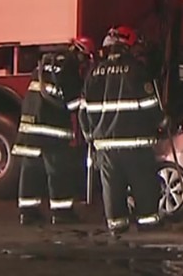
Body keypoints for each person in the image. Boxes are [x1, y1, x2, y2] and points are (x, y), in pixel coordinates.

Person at [78, 26, 163, 236]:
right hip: (136, 145)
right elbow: (150, 105)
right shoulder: (137, 70)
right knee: (144, 187)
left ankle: (117, 231)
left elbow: (83, 111)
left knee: (112, 190)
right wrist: (161, 122)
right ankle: (148, 227)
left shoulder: (93, 73)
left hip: (106, 147)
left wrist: (90, 135)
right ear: (128, 47)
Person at [13, 36, 94, 225]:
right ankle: (61, 212)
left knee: (30, 168)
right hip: (51, 128)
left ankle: (27, 211)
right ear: (81, 54)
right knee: (58, 170)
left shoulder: (45, 62)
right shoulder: (70, 67)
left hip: (29, 123)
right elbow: (74, 103)